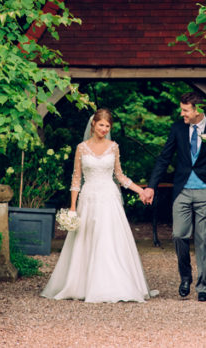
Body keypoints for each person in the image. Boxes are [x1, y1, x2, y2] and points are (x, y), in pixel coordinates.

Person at [41, 108, 156, 302]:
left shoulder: (113, 147)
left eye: (107, 126)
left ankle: (113, 284)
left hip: (109, 198)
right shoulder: (81, 148)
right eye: (101, 124)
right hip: (88, 198)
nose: (104, 129)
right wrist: (72, 207)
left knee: (109, 239)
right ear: (93, 124)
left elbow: (120, 176)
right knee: (87, 239)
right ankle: (83, 285)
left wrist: (141, 191)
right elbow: (76, 179)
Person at [141, 91, 206, 302]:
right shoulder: (177, 128)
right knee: (179, 235)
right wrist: (151, 186)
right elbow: (164, 158)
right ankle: (185, 277)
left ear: (198, 110)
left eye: (185, 110)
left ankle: (203, 287)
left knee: (204, 241)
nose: (182, 114)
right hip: (181, 191)